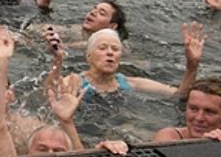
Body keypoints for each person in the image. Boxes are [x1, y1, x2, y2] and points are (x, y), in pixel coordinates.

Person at [0, 22, 128, 157]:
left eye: (58, 151)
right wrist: (0, 62)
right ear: (27, 152)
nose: (49, 155)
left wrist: (109, 149)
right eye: (42, 149)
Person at [49, 24, 204, 106]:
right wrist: (58, 62)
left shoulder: (131, 83)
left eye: (115, 49)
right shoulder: (76, 81)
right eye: (102, 48)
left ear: (120, 57)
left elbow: (179, 95)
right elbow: (48, 95)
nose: (110, 52)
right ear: (89, 57)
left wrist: (192, 65)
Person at [37, 0, 128, 50]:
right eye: (94, 9)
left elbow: (62, 48)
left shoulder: (108, 45)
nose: (92, 12)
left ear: (112, 26)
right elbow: (45, 28)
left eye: (101, 13)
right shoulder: (77, 30)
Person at [154, 77, 221, 142]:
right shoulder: (169, 136)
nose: (199, 118)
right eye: (193, 109)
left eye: (209, 112)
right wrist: (205, 145)